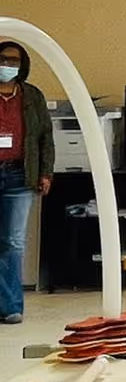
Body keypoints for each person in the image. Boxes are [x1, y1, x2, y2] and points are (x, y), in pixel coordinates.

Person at [0, 40, 54, 325]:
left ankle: (10, 307)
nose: (7, 65)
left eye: (13, 60)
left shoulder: (32, 95)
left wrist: (46, 173)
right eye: (3, 59)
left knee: (12, 242)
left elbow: (46, 137)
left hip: (20, 175)